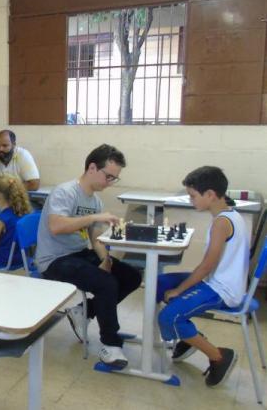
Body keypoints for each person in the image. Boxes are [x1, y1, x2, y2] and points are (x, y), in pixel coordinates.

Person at [35, 144, 141, 369]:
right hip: (54, 259)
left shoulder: (95, 201)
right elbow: (56, 226)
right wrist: (94, 217)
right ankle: (110, 345)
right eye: (109, 176)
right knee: (106, 284)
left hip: (79, 253)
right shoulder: (65, 192)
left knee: (131, 276)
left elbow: (95, 238)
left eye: (114, 178)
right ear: (92, 167)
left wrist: (105, 259)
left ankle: (84, 311)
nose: (110, 182)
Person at [156, 166, 245, 387]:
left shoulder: (222, 223)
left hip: (223, 289)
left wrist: (179, 290)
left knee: (168, 317)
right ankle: (189, 336)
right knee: (158, 284)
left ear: (210, 194)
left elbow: (206, 266)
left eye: (193, 196)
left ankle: (219, 356)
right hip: (214, 280)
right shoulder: (229, 214)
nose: (190, 200)